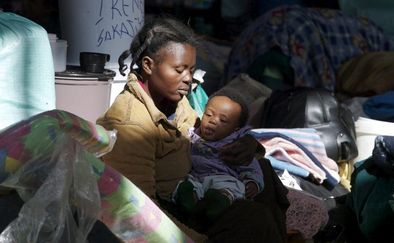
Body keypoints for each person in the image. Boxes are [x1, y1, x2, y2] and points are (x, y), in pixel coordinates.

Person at [96, 17, 288, 242]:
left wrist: (249, 145)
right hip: (173, 215)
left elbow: (206, 132)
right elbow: (139, 210)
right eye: (179, 70)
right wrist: (194, 239)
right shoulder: (130, 124)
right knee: (252, 217)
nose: (188, 79)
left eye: (191, 70)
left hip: (202, 193)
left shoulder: (175, 101)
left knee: (262, 170)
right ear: (148, 65)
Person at [173, 93, 264, 222]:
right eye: (209, 114)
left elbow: (250, 165)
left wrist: (253, 182)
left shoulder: (236, 145)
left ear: (235, 129)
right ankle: (188, 200)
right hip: (198, 177)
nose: (213, 120)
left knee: (234, 187)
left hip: (223, 177)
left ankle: (220, 201)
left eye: (223, 120)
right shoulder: (193, 135)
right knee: (187, 184)